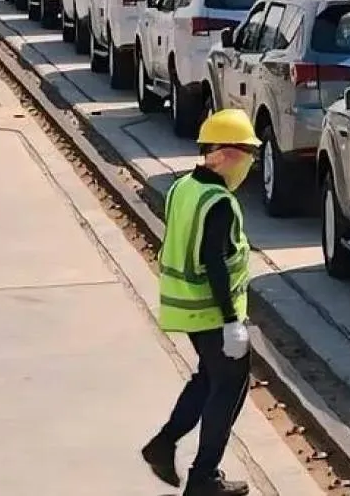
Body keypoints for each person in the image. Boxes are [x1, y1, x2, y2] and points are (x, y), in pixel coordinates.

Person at [140, 109, 260, 496]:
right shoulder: (219, 202)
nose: (250, 161)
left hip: (186, 308)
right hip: (212, 311)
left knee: (209, 379)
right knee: (229, 387)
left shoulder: (184, 187)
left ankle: (163, 444)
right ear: (222, 154)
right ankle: (203, 477)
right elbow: (214, 263)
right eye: (246, 152)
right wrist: (231, 322)